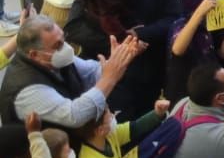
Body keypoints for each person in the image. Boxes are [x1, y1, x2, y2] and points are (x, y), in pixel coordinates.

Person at [0, 17, 143, 131]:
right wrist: (109, 77)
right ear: (34, 55)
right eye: (57, 45)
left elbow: (90, 72)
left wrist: (118, 59)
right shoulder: (26, 90)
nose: (65, 47)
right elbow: (74, 115)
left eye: (64, 39)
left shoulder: (53, 57)